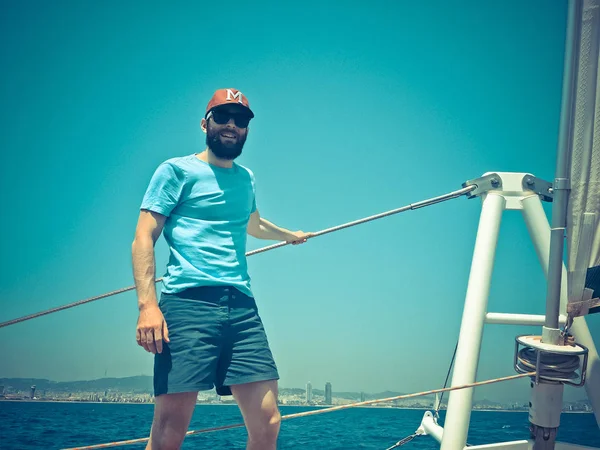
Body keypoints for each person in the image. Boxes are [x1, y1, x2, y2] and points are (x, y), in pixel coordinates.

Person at [131, 88, 311, 450]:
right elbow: (143, 237)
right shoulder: (176, 171)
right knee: (170, 431)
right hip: (187, 305)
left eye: (240, 120)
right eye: (223, 117)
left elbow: (252, 223)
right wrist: (148, 306)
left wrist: (289, 235)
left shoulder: (246, 179)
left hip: (242, 308)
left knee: (268, 422)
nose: (232, 125)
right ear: (205, 123)